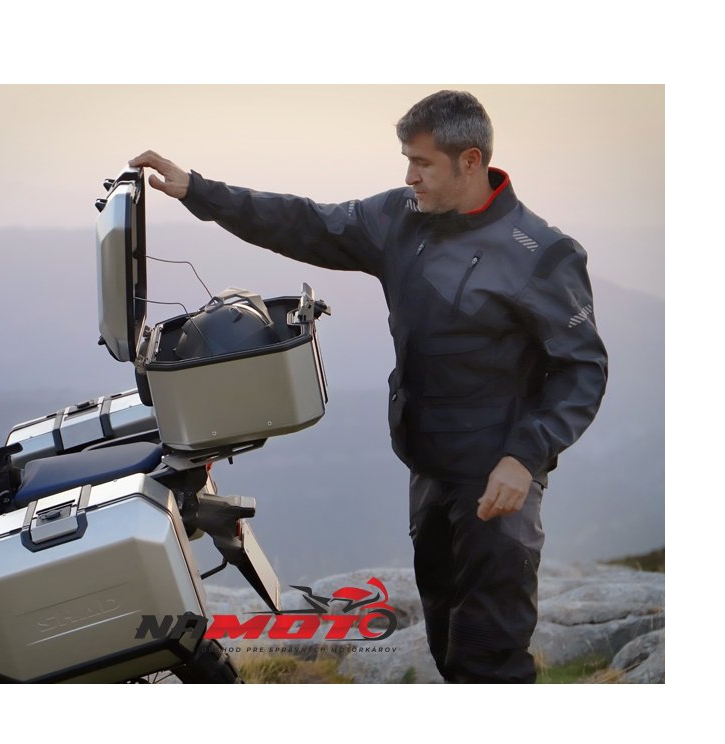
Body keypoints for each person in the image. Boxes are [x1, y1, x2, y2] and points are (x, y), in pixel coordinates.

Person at [129, 89, 608, 683]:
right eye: (406, 160)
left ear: (470, 161)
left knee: (491, 657)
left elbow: (582, 369)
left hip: (499, 481)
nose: (409, 177)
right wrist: (199, 191)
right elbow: (304, 222)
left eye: (422, 163)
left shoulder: (541, 254)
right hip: (428, 470)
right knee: (447, 644)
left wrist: (524, 456)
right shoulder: (400, 219)